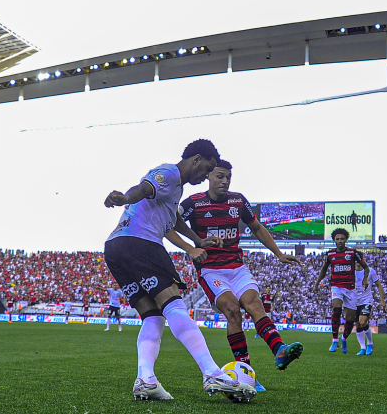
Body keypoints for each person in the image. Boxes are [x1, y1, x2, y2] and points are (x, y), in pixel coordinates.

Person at [104, 139, 256, 401]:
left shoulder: (174, 190)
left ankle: (146, 379)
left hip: (116, 248)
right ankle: (212, 372)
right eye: (206, 168)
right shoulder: (170, 173)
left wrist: (197, 240)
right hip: (142, 243)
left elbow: (172, 218)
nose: (205, 176)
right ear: (196, 160)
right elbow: (142, 188)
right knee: (173, 305)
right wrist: (126, 198)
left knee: (152, 315)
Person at [171, 159, 303, 393]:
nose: (224, 181)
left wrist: (279, 254)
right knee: (232, 309)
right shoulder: (193, 203)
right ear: (209, 176)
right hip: (211, 269)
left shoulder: (238, 201)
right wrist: (191, 248)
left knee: (254, 304)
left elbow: (258, 228)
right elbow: (169, 224)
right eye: (220, 176)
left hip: (237, 267)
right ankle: (248, 374)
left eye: (228, 178)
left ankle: (280, 350)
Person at [314, 228, 369, 354]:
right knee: (337, 309)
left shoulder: (353, 253)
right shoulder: (330, 255)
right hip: (336, 286)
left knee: (350, 320)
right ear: (334, 240)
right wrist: (317, 284)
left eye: (342, 239)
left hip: (350, 288)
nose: (340, 241)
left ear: (346, 240)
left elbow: (366, 267)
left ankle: (343, 338)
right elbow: (323, 269)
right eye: (337, 239)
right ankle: (334, 340)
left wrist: (365, 279)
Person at [354, 261, 386, 356]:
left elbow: (379, 285)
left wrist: (382, 300)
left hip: (366, 300)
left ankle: (370, 343)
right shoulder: (351, 271)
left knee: (363, 321)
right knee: (358, 324)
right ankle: (362, 347)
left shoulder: (370, 271)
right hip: (354, 301)